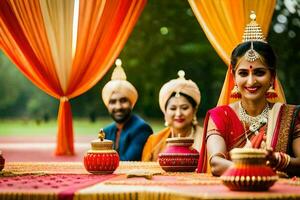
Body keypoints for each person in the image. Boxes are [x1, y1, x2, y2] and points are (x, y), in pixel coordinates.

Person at [199, 12, 300, 177]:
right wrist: (253, 168)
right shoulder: (219, 116)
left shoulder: (289, 115)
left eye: (259, 73)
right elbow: (216, 163)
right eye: (244, 73)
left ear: (272, 77)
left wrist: (278, 160)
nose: (251, 81)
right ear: (234, 76)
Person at [142, 70, 202, 161]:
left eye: (184, 108)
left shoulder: (206, 140)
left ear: (194, 110)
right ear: (164, 112)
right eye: (173, 108)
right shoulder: (154, 141)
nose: (178, 114)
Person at [101, 59, 153, 161]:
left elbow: (128, 161)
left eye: (123, 100)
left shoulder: (141, 129)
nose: (118, 107)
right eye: (112, 102)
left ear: (131, 103)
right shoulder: (107, 131)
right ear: (107, 105)